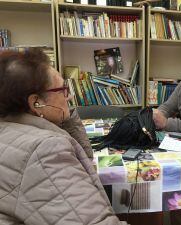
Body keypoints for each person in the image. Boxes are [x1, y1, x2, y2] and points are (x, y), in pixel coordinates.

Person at [0, 49, 128, 225]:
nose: (71, 96)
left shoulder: (10, 130)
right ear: (36, 102)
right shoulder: (45, 150)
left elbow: (83, 164)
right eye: (63, 90)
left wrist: (65, 115)